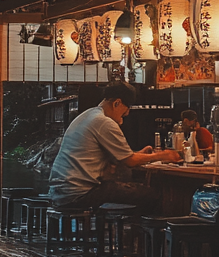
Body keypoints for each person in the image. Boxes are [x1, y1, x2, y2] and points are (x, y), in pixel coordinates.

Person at [48, 82, 181, 211]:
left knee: (132, 190)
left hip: (60, 192)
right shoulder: (104, 122)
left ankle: (128, 230)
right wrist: (164, 155)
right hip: (78, 193)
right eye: (126, 109)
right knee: (153, 195)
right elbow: (130, 161)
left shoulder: (88, 115)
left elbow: (122, 158)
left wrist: (143, 155)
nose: (127, 114)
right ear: (117, 103)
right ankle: (138, 232)